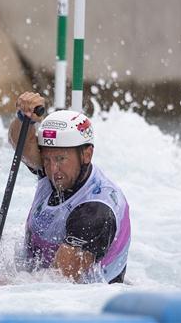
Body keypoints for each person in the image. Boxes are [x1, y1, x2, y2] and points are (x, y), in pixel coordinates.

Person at [9, 92, 130, 283]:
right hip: (36, 281)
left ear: (87, 155)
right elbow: (23, 147)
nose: (52, 169)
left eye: (60, 159)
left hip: (82, 302)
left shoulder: (96, 213)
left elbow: (57, 282)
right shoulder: (60, 172)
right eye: (47, 159)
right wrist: (24, 118)